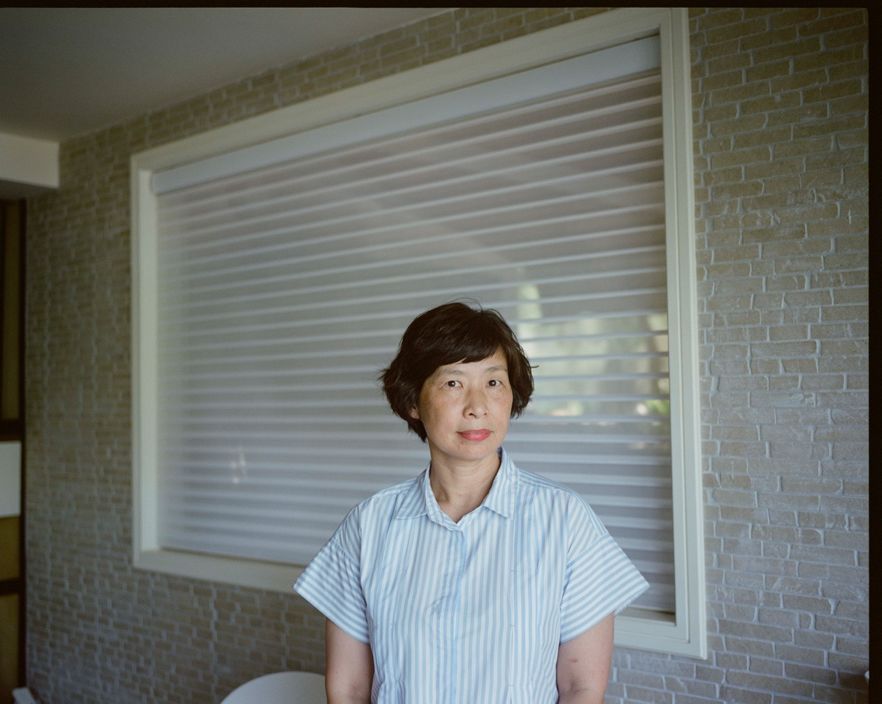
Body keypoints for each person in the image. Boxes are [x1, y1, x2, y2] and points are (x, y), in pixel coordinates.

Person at [294, 301, 648, 704]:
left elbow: (580, 688)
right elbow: (348, 688)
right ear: (413, 401)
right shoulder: (368, 525)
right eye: (453, 383)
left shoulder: (565, 520)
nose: (477, 406)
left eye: (493, 382)